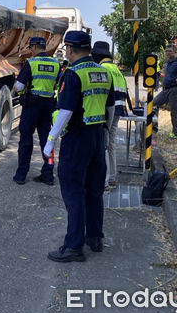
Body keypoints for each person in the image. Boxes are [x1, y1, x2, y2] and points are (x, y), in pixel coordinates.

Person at [42, 31, 115, 262]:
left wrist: (50, 140)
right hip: (97, 137)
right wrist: (104, 134)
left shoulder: (73, 74)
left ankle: (73, 246)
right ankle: (94, 238)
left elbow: (65, 111)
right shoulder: (104, 73)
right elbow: (110, 108)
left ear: (70, 49)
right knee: (94, 191)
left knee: (73, 192)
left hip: (77, 139)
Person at [12, 36, 60, 185]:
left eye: (30, 48)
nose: (30, 51)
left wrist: (21, 91)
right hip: (48, 106)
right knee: (47, 141)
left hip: (31, 106)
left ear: (33, 47)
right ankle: (48, 175)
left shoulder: (31, 63)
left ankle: (21, 175)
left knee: (26, 141)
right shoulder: (56, 63)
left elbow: (18, 87)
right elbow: (58, 85)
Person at [91, 41, 127, 190]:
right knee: (111, 144)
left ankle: (104, 181)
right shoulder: (116, 69)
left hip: (107, 111)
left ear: (98, 55)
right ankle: (112, 177)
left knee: (103, 145)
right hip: (118, 109)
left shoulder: (102, 69)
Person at [153, 44, 177, 139]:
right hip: (166, 89)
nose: (167, 53)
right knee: (153, 104)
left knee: (175, 112)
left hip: (175, 89)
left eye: (169, 51)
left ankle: (175, 134)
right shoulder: (168, 61)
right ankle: (153, 127)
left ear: (175, 52)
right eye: (166, 51)